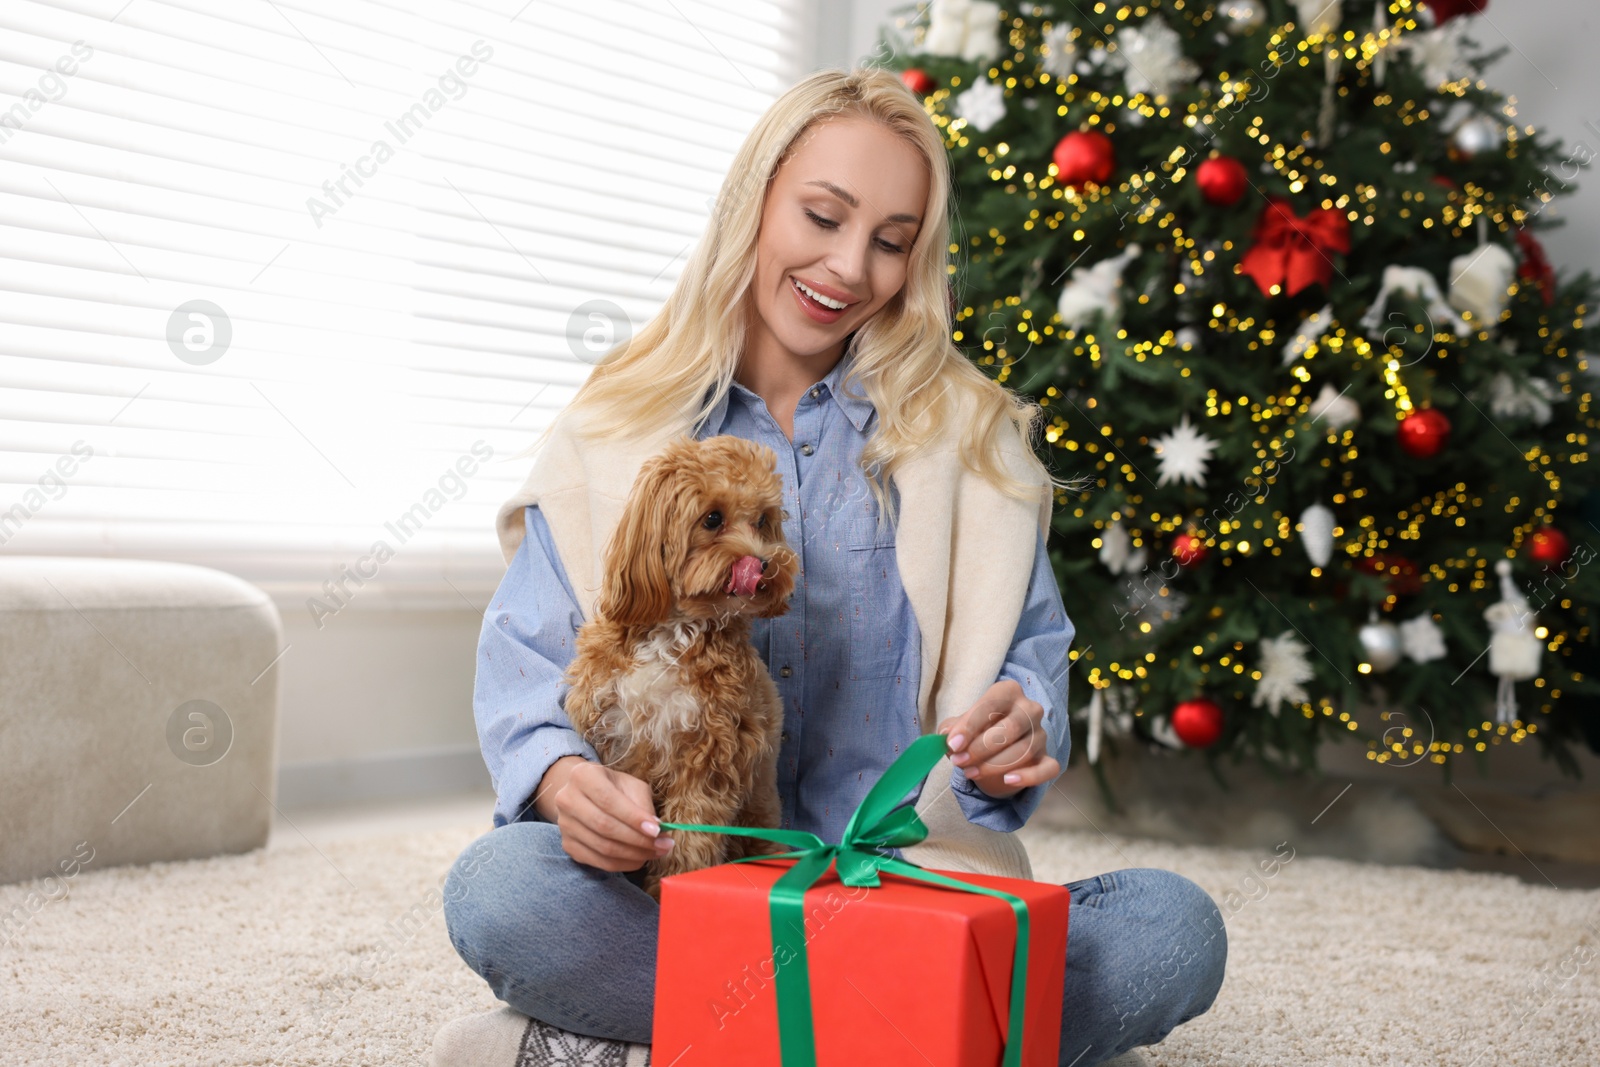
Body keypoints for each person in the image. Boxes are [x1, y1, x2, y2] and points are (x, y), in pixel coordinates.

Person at [432, 66, 1225, 1067]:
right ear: (753, 203)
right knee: (499, 889)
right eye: (822, 215)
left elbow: (1028, 664)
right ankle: (904, 1037)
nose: (851, 267)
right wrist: (561, 778)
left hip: (904, 889)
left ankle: (635, 1043)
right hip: (680, 887)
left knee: (1173, 927)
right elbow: (527, 667)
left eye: (891, 241)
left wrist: (1017, 722)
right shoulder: (616, 423)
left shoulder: (971, 437)